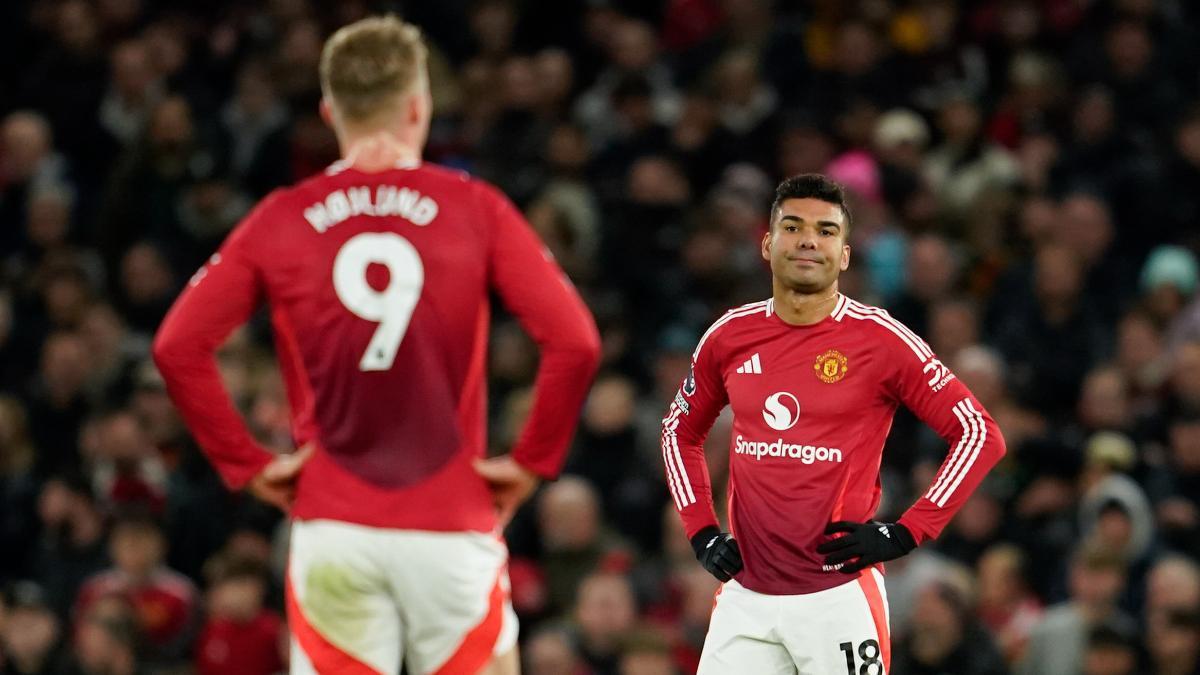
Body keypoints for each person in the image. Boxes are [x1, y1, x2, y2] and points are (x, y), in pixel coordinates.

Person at [152, 15, 601, 675]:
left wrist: (246, 461)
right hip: (450, 520)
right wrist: (531, 459)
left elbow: (177, 345)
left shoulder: (282, 215)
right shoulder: (475, 207)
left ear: (330, 110)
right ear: (420, 106)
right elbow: (576, 342)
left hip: (335, 521)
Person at [661, 174, 1006, 673]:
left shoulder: (881, 340)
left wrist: (907, 532)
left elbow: (978, 433)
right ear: (767, 243)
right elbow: (679, 431)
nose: (807, 240)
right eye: (793, 226)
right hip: (745, 598)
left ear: (844, 254)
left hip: (837, 598)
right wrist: (701, 532)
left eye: (825, 231)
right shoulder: (729, 335)